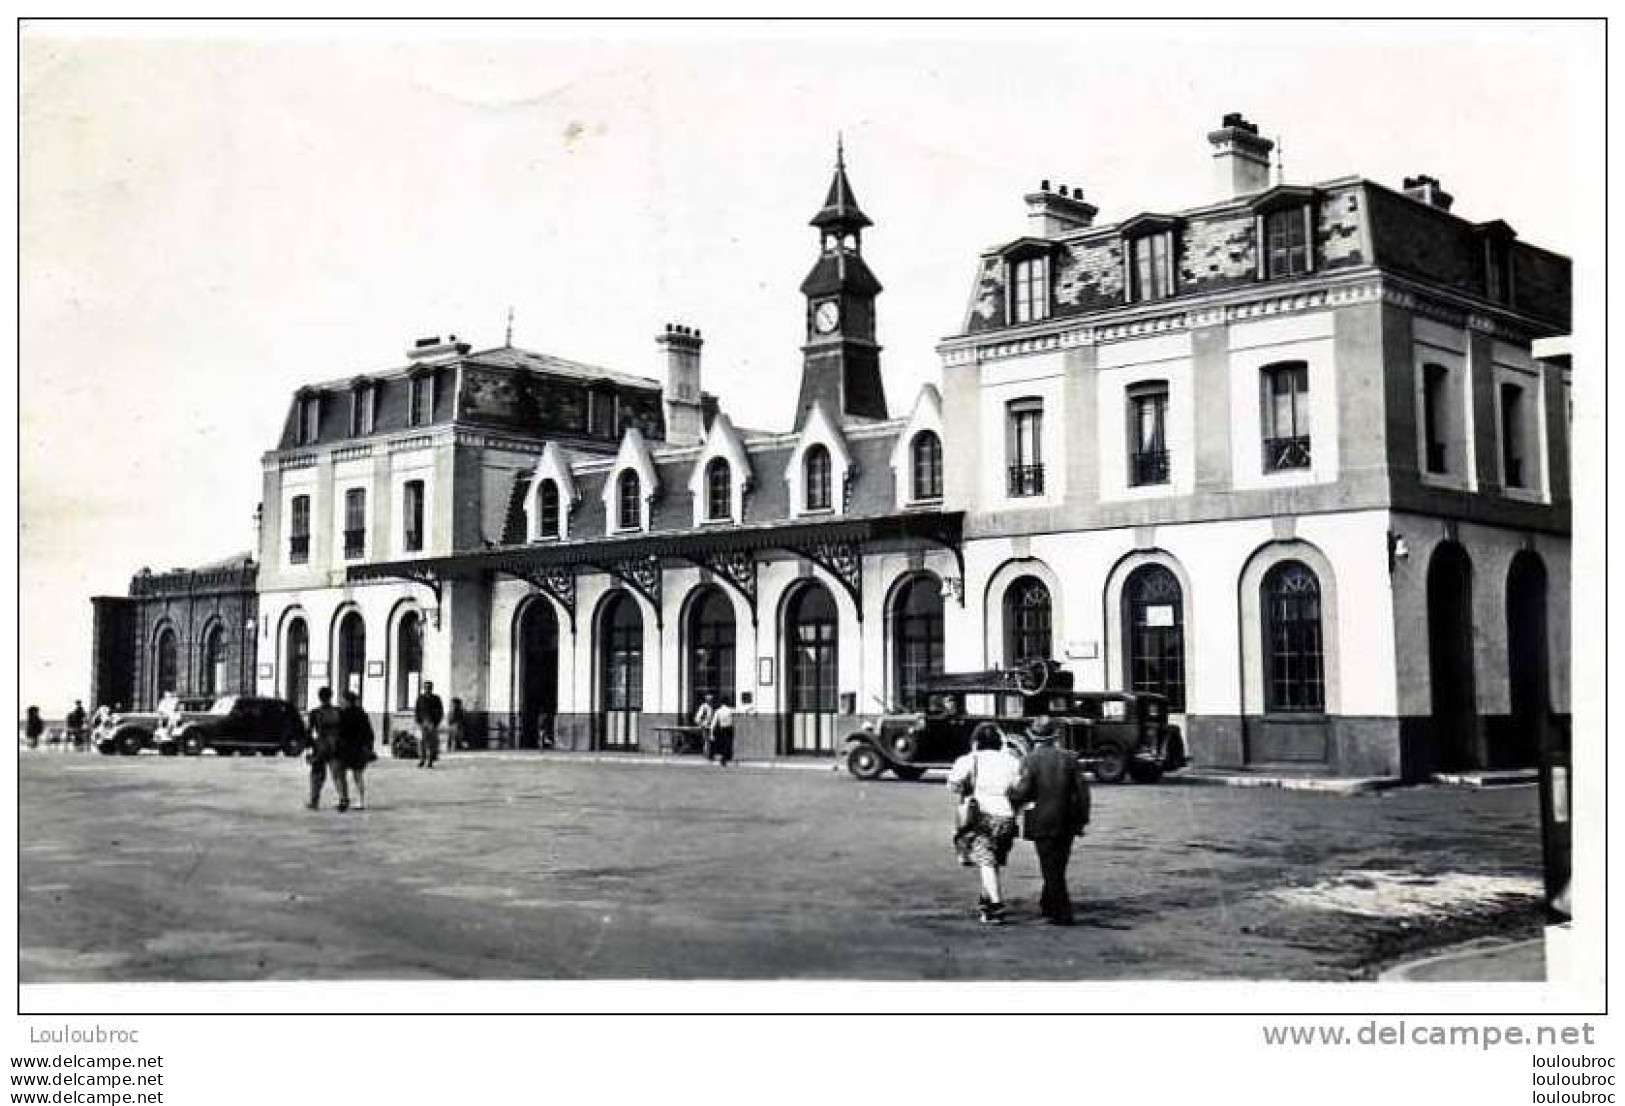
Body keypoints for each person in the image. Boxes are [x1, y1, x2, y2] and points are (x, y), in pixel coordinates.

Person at [1007, 716, 1091, 926]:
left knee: (1050, 867)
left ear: (1033, 736)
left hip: (1042, 820)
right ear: (1055, 736)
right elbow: (1083, 793)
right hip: (1067, 820)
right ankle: (1048, 903)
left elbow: (1023, 792)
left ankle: (1062, 912)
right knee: (1058, 865)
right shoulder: (1070, 759)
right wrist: (1082, 820)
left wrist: (1010, 794)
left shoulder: (1030, 760)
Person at [946, 722, 1023, 924]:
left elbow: (953, 784)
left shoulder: (970, 760)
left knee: (985, 860)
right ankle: (986, 902)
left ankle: (997, 905)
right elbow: (1019, 786)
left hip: (982, 814)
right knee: (992, 860)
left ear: (976, 742)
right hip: (1007, 816)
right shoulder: (1011, 761)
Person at [306, 687, 347, 812]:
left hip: (320, 746)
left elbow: (309, 732)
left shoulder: (314, 713)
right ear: (331, 696)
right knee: (338, 775)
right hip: (336, 746)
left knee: (317, 774)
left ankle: (314, 801)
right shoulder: (339, 711)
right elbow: (344, 730)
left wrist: (308, 749)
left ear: (319, 697)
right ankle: (343, 798)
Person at [335, 690, 376, 811]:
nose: (341, 702)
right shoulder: (362, 714)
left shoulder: (342, 714)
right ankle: (360, 801)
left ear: (347, 701)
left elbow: (339, 732)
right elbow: (369, 733)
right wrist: (368, 747)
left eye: (342, 700)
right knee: (357, 775)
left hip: (346, 748)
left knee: (341, 774)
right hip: (358, 748)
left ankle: (344, 798)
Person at [414, 681, 444, 768]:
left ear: (432, 688)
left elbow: (440, 711)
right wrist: (418, 722)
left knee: (432, 743)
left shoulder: (436, 698)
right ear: (424, 688)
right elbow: (417, 710)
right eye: (426, 687)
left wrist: (436, 723)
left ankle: (430, 761)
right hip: (423, 723)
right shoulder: (420, 698)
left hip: (432, 724)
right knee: (422, 742)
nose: (428, 689)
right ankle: (422, 760)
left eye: (429, 687)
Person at [710, 699, 735, 767]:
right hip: (729, 728)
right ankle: (727, 757)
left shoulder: (718, 711)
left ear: (721, 703)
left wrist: (711, 733)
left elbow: (713, 723)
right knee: (729, 743)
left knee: (723, 744)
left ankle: (723, 758)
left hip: (722, 728)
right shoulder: (730, 710)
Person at [693, 695, 715, 759]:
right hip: (705, 726)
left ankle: (709, 754)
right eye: (710, 699)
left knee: (709, 741)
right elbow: (697, 718)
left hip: (710, 726)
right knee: (706, 741)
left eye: (711, 699)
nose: (711, 701)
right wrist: (702, 724)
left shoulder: (711, 707)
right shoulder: (704, 707)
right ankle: (707, 755)